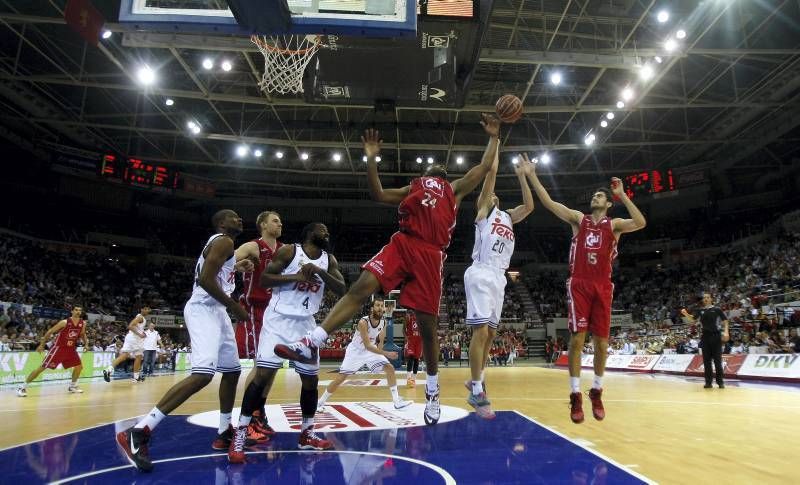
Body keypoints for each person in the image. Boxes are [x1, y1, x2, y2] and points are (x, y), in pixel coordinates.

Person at [276, 114, 502, 426]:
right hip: (403, 243)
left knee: (427, 328)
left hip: (431, 254)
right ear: (425, 173)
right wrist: (370, 159)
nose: (438, 168)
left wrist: (493, 136)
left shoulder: (454, 188)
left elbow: (483, 167)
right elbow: (379, 194)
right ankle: (312, 340)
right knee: (359, 289)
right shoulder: (414, 187)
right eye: (434, 168)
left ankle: (433, 391)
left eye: (442, 168)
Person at [116, 210, 252, 472]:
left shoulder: (223, 246)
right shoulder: (224, 240)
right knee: (202, 375)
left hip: (216, 312)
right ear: (222, 223)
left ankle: (224, 431)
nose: (240, 219)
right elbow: (204, 280)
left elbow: (214, 272)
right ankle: (140, 430)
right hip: (205, 310)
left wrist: (235, 267)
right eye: (234, 217)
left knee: (233, 371)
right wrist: (235, 306)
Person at [524, 155, 647, 423]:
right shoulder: (579, 219)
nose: (595, 197)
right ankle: (576, 395)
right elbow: (548, 202)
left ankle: (597, 390)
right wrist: (532, 175)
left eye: (600, 196)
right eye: (594, 195)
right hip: (579, 282)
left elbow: (640, 222)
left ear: (608, 203)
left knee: (602, 345)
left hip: (603, 285)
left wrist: (622, 195)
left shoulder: (613, 225)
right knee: (577, 340)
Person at [228, 223, 346, 463]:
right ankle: (240, 433)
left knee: (311, 381)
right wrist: (297, 275)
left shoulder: (328, 259)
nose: (327, 233)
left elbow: (342, 289)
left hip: (306, 325)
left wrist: (319, 272)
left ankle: (307, 433)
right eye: (323, 230)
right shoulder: (290, 252)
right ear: (310, 233)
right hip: (278, 321)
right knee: (262, 376)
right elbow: (264, 280)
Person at [463, 149, 534, 419]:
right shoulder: (483, 212)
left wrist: (523, 178)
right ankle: (477, 390)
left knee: (491, 335)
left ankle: (475, 380)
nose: (492, 195)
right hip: (481, 272)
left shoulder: (507, 216)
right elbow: (490, 177)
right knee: (480, 332)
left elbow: (529, 207)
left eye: (494, 195)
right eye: (489, 194)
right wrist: (496, 144)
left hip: (499, 277)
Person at [233, 210, 283, 442]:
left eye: (280, 220)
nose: (279, 223)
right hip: (256, 309)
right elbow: (227, 259)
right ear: (262, 224)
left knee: (272, 367)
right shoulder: (254, 246)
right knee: (260, 364)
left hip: (276, 312)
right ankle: (247, 419)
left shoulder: (284, 250)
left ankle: (258, 412)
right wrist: (238, 265)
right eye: (275, 220)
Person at [318, 298, 413, 410]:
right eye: (377, 305)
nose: (380, 308)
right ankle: (320, 402)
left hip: (371, 351)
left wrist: (381, 355)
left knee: (389, 368)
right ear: (372, 308)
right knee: (341, 378)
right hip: (355, 352)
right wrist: (386, 354)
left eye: (382, 306)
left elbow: (381, 339)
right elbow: (367, 345)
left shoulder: (383, 322)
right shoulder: (363, 322)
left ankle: (397, 401)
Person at [17, 306, 89, 397]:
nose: (78, 312)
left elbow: (82, 334)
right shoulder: (64, 322)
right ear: (72, 311)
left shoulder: (83, 323)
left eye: (80, 310)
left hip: (71, 349)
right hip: (59, 349)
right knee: (42, 368)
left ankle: (72, 386)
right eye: (76, 310)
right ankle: (22, 387)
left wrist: (86, 344)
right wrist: (42, 345)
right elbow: (50, 331)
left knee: (79, 367)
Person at [681, 293, 730, 388]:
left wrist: (726, 332)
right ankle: (708, 382)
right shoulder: (700, 310)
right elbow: (692, 320)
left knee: (717, 361)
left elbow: (725, 321)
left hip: (716, 336)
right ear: (703, 300)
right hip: (705, 337)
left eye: (708, 297)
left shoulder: (717, 309)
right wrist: (685, 313)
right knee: (706, 361)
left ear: (711, 299)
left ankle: (720, 382)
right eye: (704, 298)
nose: (706, 299)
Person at [103, 306, 150, 383]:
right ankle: (136, 377)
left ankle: (108, 369)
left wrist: (142, 332)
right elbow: (130, 326)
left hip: (130, 338)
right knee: (139, 356)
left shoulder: (139, 317)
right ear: (141, 309)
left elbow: (136, 327)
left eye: (148, 309)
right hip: (135, 339)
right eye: (145, 309)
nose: (147, 310)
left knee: (124, 355)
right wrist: (140, 335)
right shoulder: (140, 317)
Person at [403, 310, 422, 388]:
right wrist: (406, 337)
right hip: (411, 340)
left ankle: (413, 380)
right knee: (410, 358)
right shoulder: (409, 317)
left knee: (416, 360)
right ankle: (408, 379)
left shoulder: (422, 318)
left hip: (419, 341)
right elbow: (403, 329)